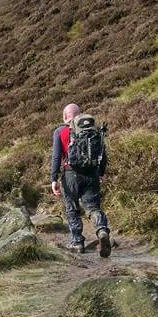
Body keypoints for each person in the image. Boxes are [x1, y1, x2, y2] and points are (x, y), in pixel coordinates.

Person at [49, 103, 112, 256]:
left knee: (72, 209)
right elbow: (102, 154)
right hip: (92, 174)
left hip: (70, 174)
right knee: (93, 207)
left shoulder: (60, 131)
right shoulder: (93, 130)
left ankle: (77, 242)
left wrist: (54, 179)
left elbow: (57, 156)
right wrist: (101, 173)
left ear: (65, 116)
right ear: (79, 114)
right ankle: (102, 229)